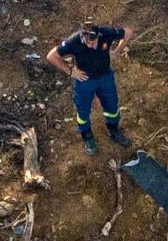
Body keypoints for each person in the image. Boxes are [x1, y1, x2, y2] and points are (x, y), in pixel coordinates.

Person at [45, 20, 131, 153]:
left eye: (92, 42)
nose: (89, 45)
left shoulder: (106, 33)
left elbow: (128, 32)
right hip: (84, 79)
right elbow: (51, 56)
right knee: (83, 110)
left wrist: (117, 51)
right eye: (86, 41)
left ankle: (113, 129)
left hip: (105, 76)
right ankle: (87, 136)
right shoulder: (74, 41)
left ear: (98, 36)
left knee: (111, 105)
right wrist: (70, 71)